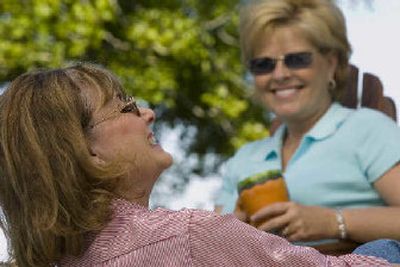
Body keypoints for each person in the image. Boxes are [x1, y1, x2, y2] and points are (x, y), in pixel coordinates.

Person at [0, 63, 394, 266]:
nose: (149, 113)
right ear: (86, 153)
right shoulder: (192, 231)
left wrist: (235, 235)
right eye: (126, 106)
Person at [214, 0, 400, 254]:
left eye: (297, 59)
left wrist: (333, 222)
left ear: (331, 63)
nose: (279, 74)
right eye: (263, 64)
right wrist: (235, 229)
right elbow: (208, 244)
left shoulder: (366, 130)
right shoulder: (245, 159)